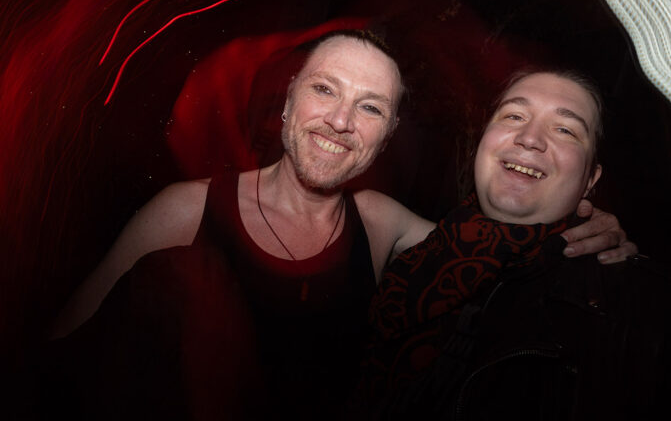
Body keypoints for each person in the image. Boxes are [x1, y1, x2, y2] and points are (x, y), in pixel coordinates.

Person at [46, 32, 636, 419]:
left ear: (386, 136)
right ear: (287, 104)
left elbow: (497, 247)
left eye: (370, 106)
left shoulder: (380, 223)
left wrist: (586, 225)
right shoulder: (185, 211)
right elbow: (55, 358)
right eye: (324, 89)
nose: (340, 120)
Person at [365, 69, 671, 420]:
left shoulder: (660, 323)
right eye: (514, 116)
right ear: (482, 142)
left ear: (590, 179)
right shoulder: (409, 246)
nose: (530, 138)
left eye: (565, 130)